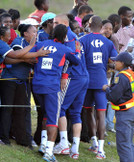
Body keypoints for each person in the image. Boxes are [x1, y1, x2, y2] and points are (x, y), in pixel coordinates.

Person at [31, 24, 81, 161]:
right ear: (64, 36)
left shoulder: (42, 44)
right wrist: (78, 51)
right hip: (51, 87)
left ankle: (43, 144)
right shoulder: (65, 49)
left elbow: (30, 54)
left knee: (46, 114)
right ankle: (48, 152)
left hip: (36, 85)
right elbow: (76, 61)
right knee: (53, 119)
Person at [0, 25, 49, 146]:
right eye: (33, 31)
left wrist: (33, 55)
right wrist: (35, 53)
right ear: (25, 33)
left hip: (22, 81)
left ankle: (23, 139)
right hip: (9, 80)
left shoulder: (35, 43)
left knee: (22, 109)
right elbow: (14, 56)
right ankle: (3, 138)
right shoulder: (18, 42)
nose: (36, 34)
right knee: (7, 109)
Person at [50, 14, 88, 160]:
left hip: (74, 77)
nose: (54, 25)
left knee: (60, 109)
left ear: (65, 23)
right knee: (76, 113)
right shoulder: (74, 36)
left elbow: (71, 58)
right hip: (84, 77)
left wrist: (65, 76)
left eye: (56, 22)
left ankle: (64, 144)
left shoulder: (68, 36)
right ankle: (75, 149)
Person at [81, 16, 118, 159]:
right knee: (101, 113)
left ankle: (94, 142)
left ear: (89, 25)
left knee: (89, 111)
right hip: (102, 81)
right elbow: (114, 61)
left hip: (87, 81)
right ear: (101, 26)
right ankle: (101, 150)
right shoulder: (107, 43)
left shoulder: (83, 40)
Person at [103, 52, 134, 162]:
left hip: (126, 112)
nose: (114, 63)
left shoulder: (121, 77)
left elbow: (113, 96)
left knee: (123, 144)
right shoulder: (131, 74)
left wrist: (106, 89)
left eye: (117, 61)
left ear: (122, 63)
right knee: (128, 142)